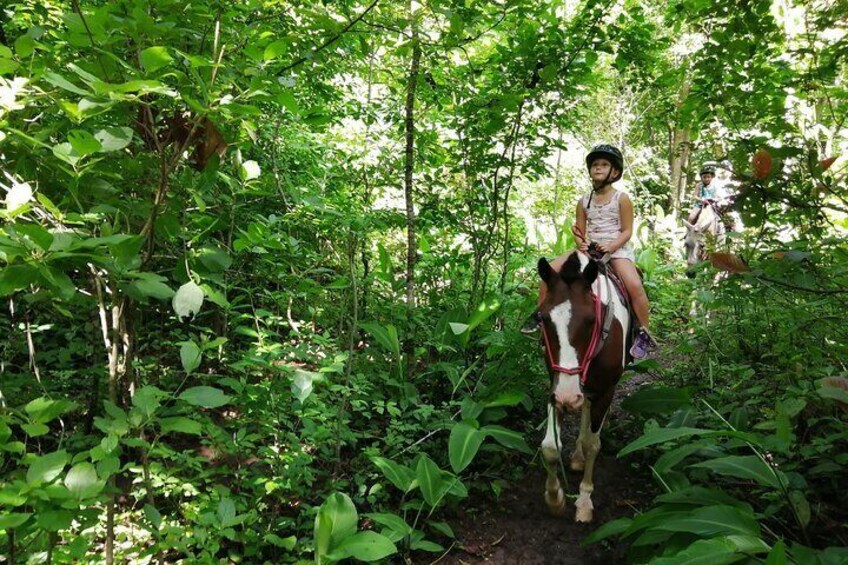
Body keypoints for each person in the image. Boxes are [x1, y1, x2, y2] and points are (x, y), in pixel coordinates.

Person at [525, 144, 656, 360]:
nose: (598, 168)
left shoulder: (621, 199)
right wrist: (580, 242)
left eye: (604, 164)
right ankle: (540, 316)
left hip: (617, 250)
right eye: (595, 164)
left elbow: (627, 230)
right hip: (590, 250)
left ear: (614, 172)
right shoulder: (583, 201)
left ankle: (643, 332)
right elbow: (580, 231)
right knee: (549, 273)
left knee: (634, 285)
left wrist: (612, 246)